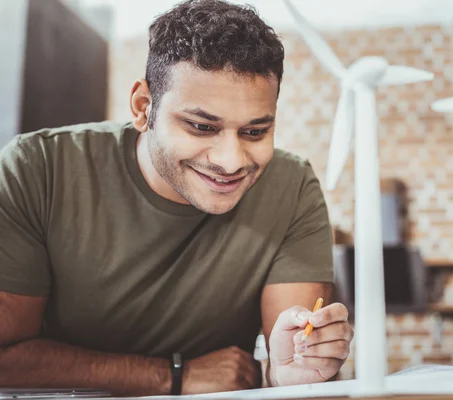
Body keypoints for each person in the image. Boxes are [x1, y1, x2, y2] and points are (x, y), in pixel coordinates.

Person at [0, 0, 353, 396]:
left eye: (254, 132)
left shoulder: (293, 186)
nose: (231, 161)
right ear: (142, 107)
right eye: (202, 126)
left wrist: (290, 372)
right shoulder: (36, 167)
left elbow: (287, 364)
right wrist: (172, 376)